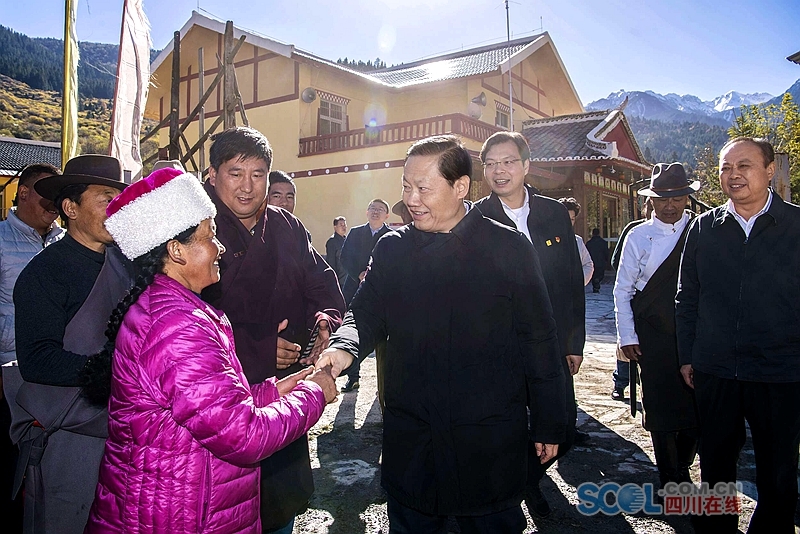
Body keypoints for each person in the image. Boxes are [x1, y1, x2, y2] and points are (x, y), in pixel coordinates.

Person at [317, 135, 566, 534]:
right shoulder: (393, 249)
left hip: (486, 436)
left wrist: (551, 421)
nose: (411, 199)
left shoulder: (508, 248)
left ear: (460, 187)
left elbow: (539, 340)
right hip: (413, 434)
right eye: (405, 186)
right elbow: (365, 310)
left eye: (423, 188)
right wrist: (345, 347)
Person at [82, 167, 336, 533]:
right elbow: (243, 435)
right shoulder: (177, 326)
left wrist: (273, 392)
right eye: (209, 236)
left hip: (182, 501)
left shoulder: (175, 308)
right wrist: (315, 393)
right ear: (176, 251)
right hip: (180, 513)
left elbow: (208, 405)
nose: (220, 248)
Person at [201, 126, 345, 534]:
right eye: (235, 172)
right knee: (226, 512)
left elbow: (322, 281)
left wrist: (324, 320)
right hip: (219, 395)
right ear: (212, 174)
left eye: (259, 174)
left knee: (280, 508)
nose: (248, 187)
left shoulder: (285, 226)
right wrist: (257, 348)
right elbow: (182, 322)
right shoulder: (195, 231)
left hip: (280, 388)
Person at [676, 137, 800, 533]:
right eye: (725, 168)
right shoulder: (703, 228)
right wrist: (687, 355)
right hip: (715, 369)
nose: (733, 175)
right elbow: (686, 297)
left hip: (780, 371)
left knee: (779, 471)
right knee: (714, 468)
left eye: (743, 166)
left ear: (770, 170)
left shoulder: (796, 226)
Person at [7, 155, 132, 533]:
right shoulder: (45, 273)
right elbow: (37, 359)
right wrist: (114, 370)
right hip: (71, 430)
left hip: (122, 427)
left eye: (119, 199)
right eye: (105, 198)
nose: (116, 209)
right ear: (70, 207)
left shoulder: (125, 263)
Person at [475, 131, 584, 518]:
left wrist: (574, 342)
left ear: (525, 165)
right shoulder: (475, 217)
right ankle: (521, 487)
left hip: (550, 340)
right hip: (500, 343)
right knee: (507, 423)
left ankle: (530, 478)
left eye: (507, 162)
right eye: (490, 164)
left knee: (560, 425)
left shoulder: (552, 212)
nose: (498, 171)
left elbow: (572, 278)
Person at [613, 162, 699, 489]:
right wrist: (627, 336)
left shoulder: (701, 230)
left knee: (695, 408)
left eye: (677, 198)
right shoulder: (638, 235)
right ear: (651, 201)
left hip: (692, 333)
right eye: (662, 198)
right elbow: (622, 289)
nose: (669, 205)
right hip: (652, 336)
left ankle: (684, 464)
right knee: (661, 409)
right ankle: (669, 476)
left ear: (687, 199)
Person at [0, 163, 64, 529]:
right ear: (22, 193)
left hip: (56, 381)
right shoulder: (1, 240)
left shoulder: (67, 243)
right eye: (45, 192)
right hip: (10, 375)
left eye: (59, 194)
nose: (53, 202)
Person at [338, 198, 391, 392]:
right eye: (372, 208)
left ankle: (384, 379)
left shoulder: (392, 236)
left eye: (380, 209)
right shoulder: (355, 233)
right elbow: (345, 258)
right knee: (355, 333)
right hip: (355, 291)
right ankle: (353, 377)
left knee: (383, 337)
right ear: (366, 212)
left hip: (383, 294)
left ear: (387, 215)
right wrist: (359, 273)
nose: (375, 212)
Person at [609, 197, 653, 401]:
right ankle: (621, 382)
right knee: (626, 343)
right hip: (636, 298)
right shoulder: (634, 230)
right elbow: (617, 260)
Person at [558, 197, 593, 286]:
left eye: (572, 219)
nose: (569, 223)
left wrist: (579, 283)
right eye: (566, 218)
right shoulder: (544, 238)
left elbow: (588, 264)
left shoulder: (577, 240)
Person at [585, 228, 609, 292]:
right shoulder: (603, 243)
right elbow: (606, 252)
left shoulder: (589, 243)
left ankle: (595, 284)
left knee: (593, 275)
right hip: (601, 261)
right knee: (600, 274)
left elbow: (586, 253)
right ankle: (597, 282)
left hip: (592, 261)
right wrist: (607, 260)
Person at [325, 216, 347, 284]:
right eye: (341, 225)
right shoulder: (332, 242)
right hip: (339, 279)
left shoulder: (347, 240)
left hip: (347, 278)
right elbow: (331, 262)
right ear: (335, 227)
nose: (343, 227)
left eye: (344, 225)